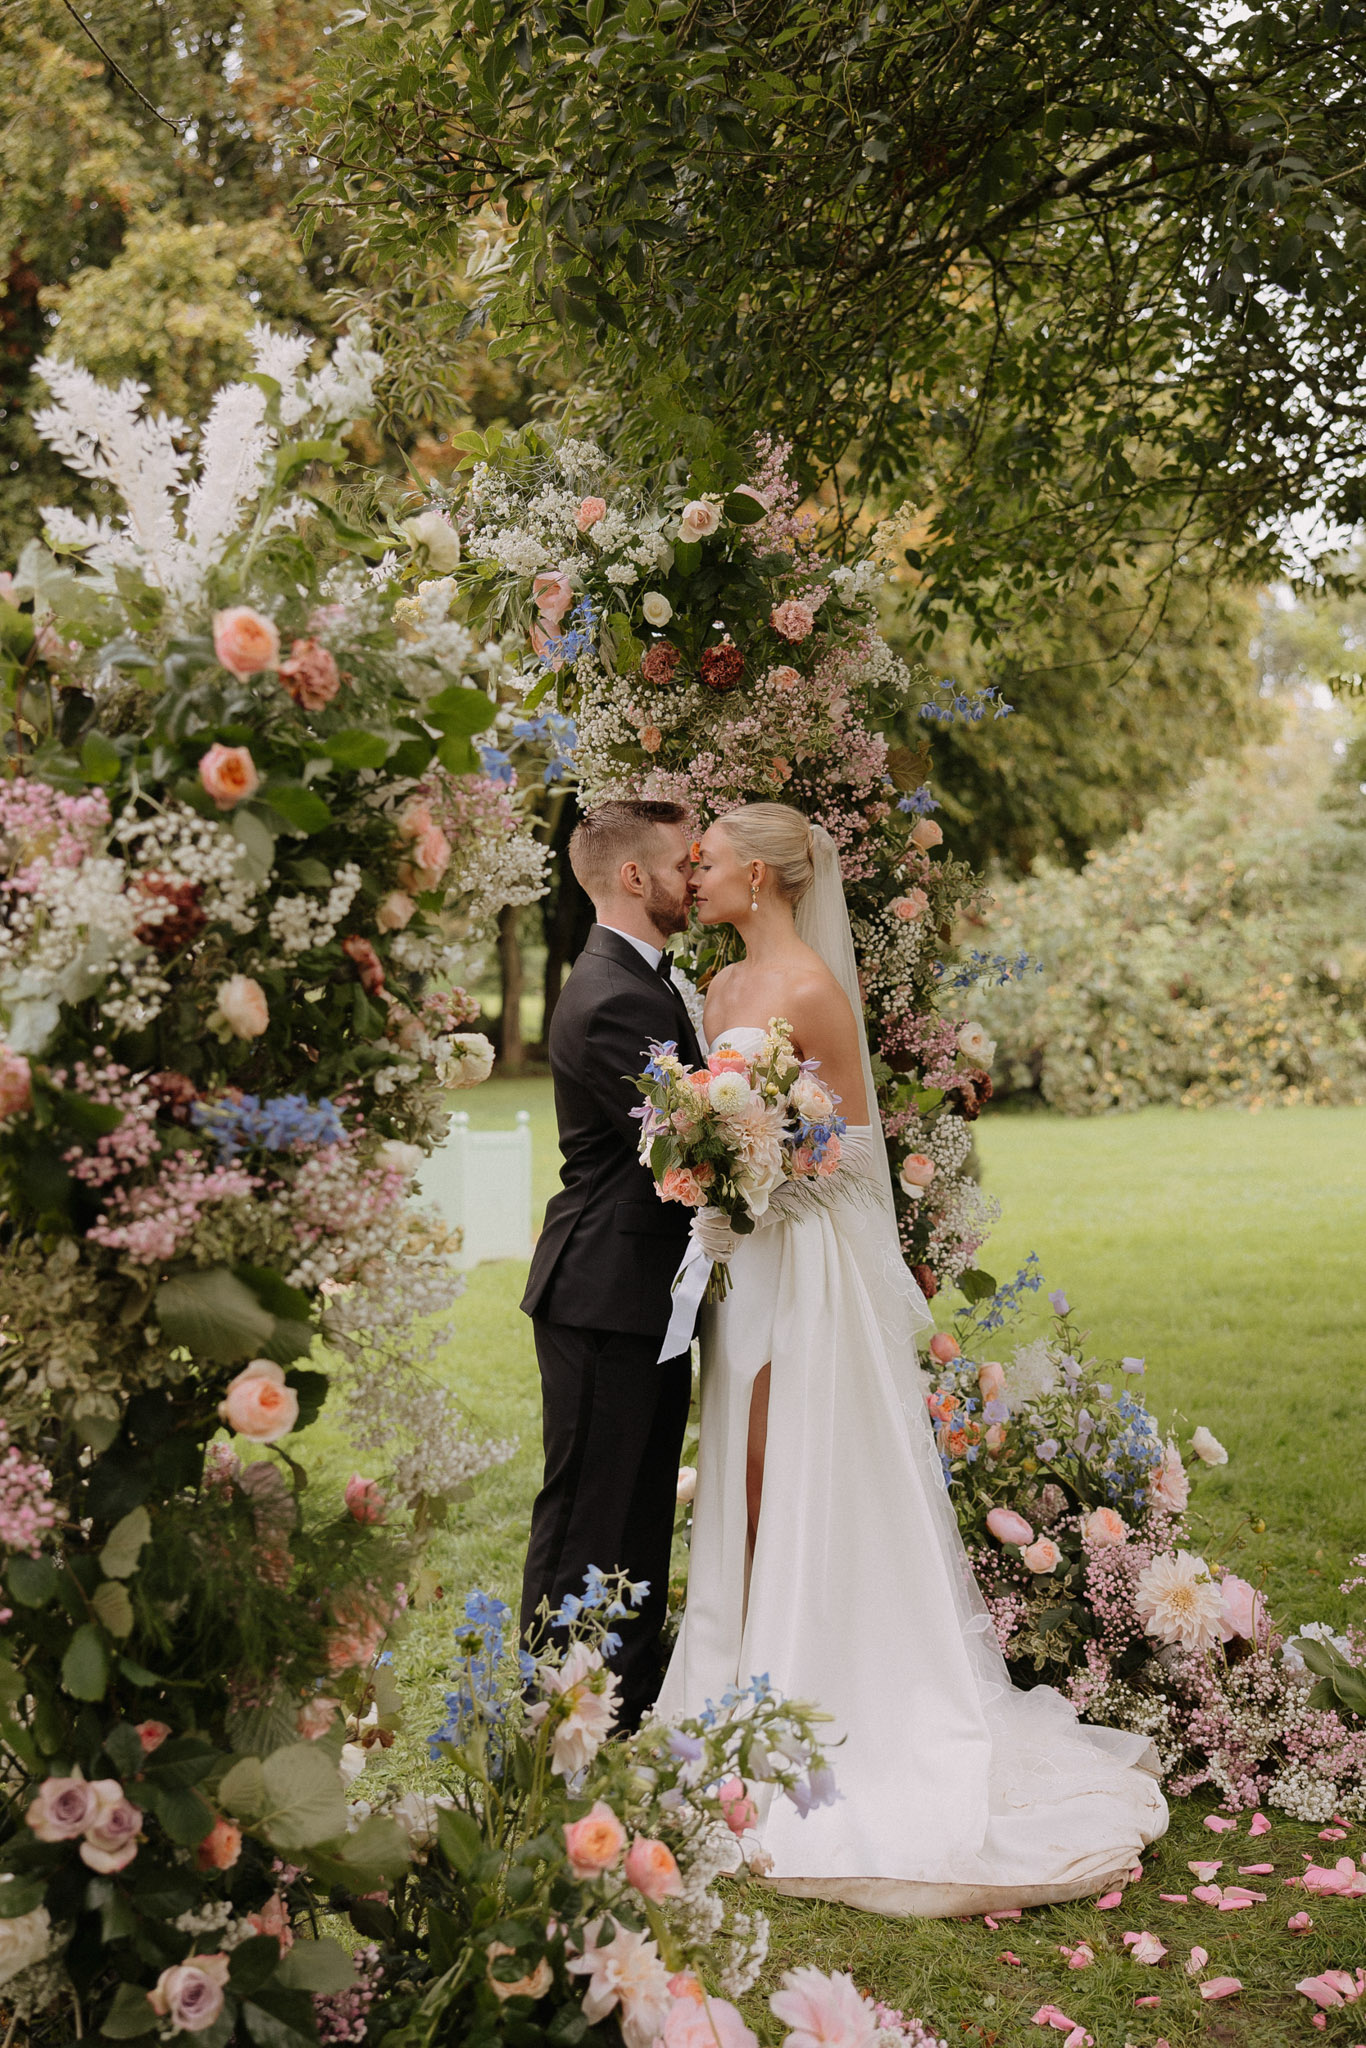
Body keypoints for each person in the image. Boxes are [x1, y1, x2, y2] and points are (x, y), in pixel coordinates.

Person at [655, 801, 1168, 1915]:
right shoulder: (725, 989)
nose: (691, 874)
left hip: (811, 1254)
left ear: (762, 875)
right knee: (741, 1462)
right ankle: (729, 1676)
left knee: (797, 1457)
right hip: (748, 1257)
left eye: (709, 860)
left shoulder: (806, 989)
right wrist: (713, 1168)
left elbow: (844, 1147)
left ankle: (817, 1677)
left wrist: (763, 1164)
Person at [519, 799, 703, 1729]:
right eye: (682, 861)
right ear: (634, 877)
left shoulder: (649, 979)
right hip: (601, 1287)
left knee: (634, 1505)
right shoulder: (612, 995)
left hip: (647, 1290)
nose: (695, 877)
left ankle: (622, 1695)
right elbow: (692, 1139)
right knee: (588, 1510)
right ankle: (551, 1707)